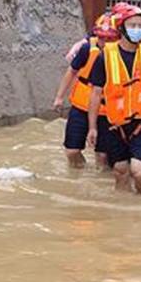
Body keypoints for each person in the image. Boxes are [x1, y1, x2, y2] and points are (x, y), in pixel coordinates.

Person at [86, 2, 141, 195]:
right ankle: (123, 211)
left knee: (139, 171)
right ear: (121, 28)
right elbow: (96, 93)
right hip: (114, 123)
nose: (138, 30)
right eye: (132, 25)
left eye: (140, 26)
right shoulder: (104, 57)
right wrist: (92, 127)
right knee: (120, 171)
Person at [53, 11, 117, 168]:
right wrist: (59, 97)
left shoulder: (122, 55)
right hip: (81, 106)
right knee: (72, 151)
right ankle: (80, 174)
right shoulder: (87, 49)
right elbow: (71, 72)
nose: (104, 42)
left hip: (107, 111)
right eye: (101, 37)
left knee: (103, 156)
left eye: (109, 38)